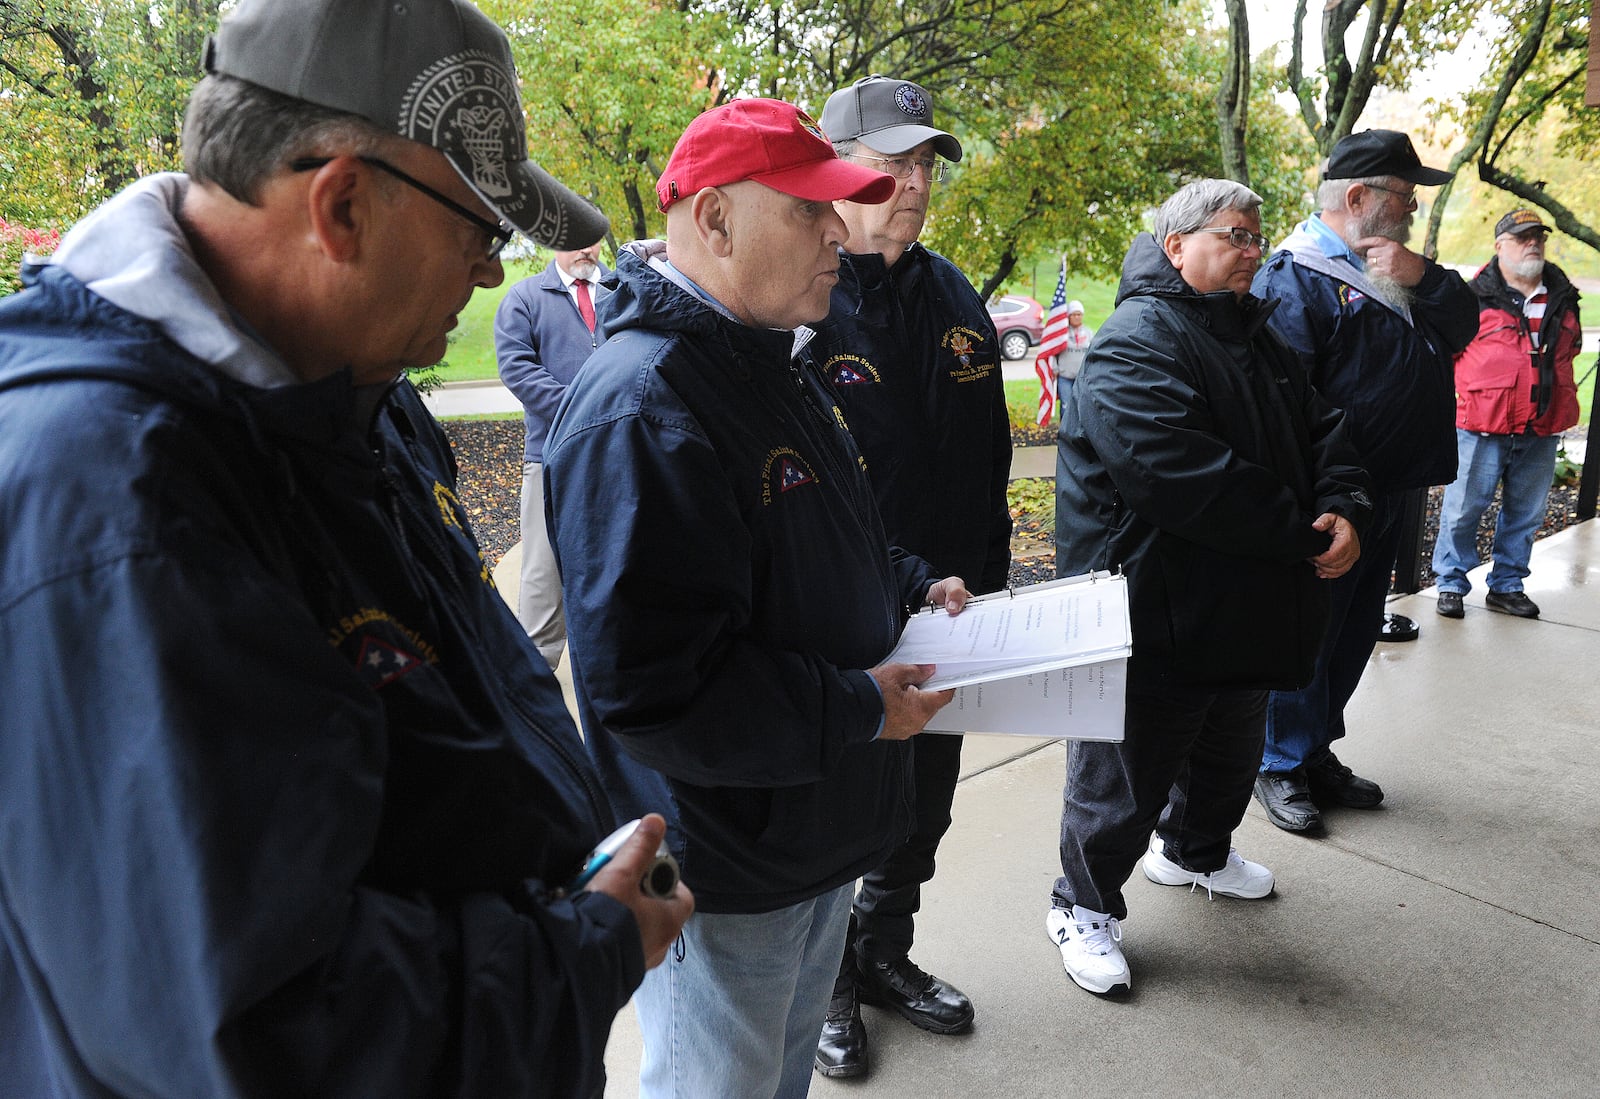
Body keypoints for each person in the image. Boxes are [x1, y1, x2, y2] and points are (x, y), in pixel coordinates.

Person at [0, 1, 693, 1095]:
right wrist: (584, 948)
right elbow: (256, 1032)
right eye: (481, 229)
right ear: (342, 204)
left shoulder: (347, 392)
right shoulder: (115, 507)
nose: (483, 274)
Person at [542, 98, 972, 1098]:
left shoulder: (773, 358)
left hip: (809, 826)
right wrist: (864, 705)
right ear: (715, 220)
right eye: (809, 210)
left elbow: (828, 533)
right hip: (726, 862)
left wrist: (910, 581)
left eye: (839, 209)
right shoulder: (644, 405)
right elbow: (652, 692)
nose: (837, 233)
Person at [1049, 179, 1371, 997]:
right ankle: (1080, 905)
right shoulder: (1133, 340)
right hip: (1154, 606)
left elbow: (1325, 426)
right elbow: (1180, 476)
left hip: (1242, 599)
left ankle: (1193, 852)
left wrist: (1341, 504)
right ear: (1176, 246)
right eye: (1235, 235)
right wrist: (1301, 533)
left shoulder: (1256, 337)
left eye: (1258, 238)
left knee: (1228, 751)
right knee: (1124, 774)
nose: (1254, 250)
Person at [802, 73, 1010, 1078]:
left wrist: (992, 586)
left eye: (924, 164)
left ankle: (883, 952)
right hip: (845, 613)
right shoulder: (802, 301)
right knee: (847, 803)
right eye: (892, 163)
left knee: (923, 805)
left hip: (955, 603)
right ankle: (828, 982)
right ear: (836, 174)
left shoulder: (951, 290)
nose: (914, 180)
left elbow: (989, 455)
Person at [1251, 129, 1477, 834]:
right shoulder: (1298, 275)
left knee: (1352, 634)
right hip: (1333, 501)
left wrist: (1427, 275)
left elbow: (1465, 326)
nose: (1410, 208)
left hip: (1392, 486)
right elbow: (1286, 407)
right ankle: (1277, 761)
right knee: (1309, 635)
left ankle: (1314, 748)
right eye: (1403, 196)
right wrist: (1325, 502)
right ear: (1357, 197)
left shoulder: (1393, 267)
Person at [1432, 209, 1583, 620]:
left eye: (1537, 236)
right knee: (1463, 509)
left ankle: (1507, 586)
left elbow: (1569, 352)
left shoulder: (1564, 298)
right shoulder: (1471, 296)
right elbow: (1446, 357)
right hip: (1482, 425)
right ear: (1499, 246)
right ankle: (1450, 583)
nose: (1531, 243)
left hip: (1542, 426)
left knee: (1527, 513)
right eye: (1521, 237)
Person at [494, 231, 611, 668]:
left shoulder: (622, 292)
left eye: (592, 239)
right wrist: (585, 410)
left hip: (617, 456)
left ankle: (606, 671)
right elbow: (517, 369)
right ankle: (535, 685)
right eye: (575, 239)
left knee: (612, 565)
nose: (586, 248)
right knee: (543, 579)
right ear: (551, 242)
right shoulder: (524, 299)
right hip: (550, 459)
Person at [1055, 300, 1094, 408]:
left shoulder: (1088, 333)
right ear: (1069, 316)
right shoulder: (1062, 333)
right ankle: (1064, 425)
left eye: (1079, 314)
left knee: (1081, 406)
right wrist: (1055, 368)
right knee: (1066, 405)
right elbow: (1053, 352)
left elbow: (1092, 353)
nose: (1077, 317)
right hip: (1065, 377)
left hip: (1082, 377)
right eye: (1073, 314)